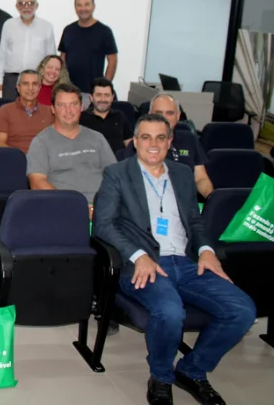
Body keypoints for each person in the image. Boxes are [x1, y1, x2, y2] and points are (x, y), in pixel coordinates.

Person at [94, 113, 255, 405]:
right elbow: (104, 224)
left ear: (170, 142)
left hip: (188, 263)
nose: (153, 144)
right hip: (146, 265)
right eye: (146, 137)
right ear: (135, 142)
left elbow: (194, 220)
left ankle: (192, 370)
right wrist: (138, 255)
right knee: (170, 312)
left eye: (160, 137)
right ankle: (161, 377)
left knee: (242, 310)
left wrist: (206, 249)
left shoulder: (182, 174)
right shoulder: (116, 173)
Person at [27, 84, 116, 203]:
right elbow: (37, 183)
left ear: (81, 107)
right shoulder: (41, 142)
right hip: (63, 207)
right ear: (53, 109)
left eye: (73, 104)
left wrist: (104, 206)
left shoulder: (97, 138)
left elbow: (115, 176)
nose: (68, 110)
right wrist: (74, 206)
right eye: (62, 105)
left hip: (101, 207)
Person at [121, 94, 214, 198]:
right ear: (150, 114)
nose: (164, 117)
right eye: (159, 113)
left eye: (170, 113)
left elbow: (201, 178)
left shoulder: (189, 139)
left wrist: (211, 198)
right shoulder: (140, 142)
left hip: (186, 202)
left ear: (178, 116)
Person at [0, 0, 56, 100]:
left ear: (36, 6)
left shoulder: (46, 26)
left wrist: (50, 81)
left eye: (30, 3)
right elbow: (2, 55)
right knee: (11, 112)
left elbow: (51, 57)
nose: (26, 7)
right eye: (22, 3)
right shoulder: (9, 25)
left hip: (37, 79)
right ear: (17, 6)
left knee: (36, 113)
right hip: (11, 80)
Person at [59, 0, 118, 92]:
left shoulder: (104, 31)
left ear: (93, 7)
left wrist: (103, 88)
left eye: (87, 4)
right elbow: (62, 58)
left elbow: (112, 61)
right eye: (79, 5)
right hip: (70, 90)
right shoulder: (68, 30)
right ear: (75, 8)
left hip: (92, 92)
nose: (83, 9)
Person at [0, 70, 55, 153]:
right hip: (15, 160)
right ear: (18, 88)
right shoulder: (5, 110)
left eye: (35, 84)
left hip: (43, 161)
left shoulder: (50, 111)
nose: (30, 88)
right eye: (25, 84)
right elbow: (0, 143)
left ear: (39, 88)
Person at [81, 77, 132, 152]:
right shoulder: (81, 119)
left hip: (117, 162)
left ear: (112, 97)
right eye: (99, 95)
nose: (103, 99)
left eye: (107, 95)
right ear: (91, 98)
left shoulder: (119, 116)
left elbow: (130, 145)